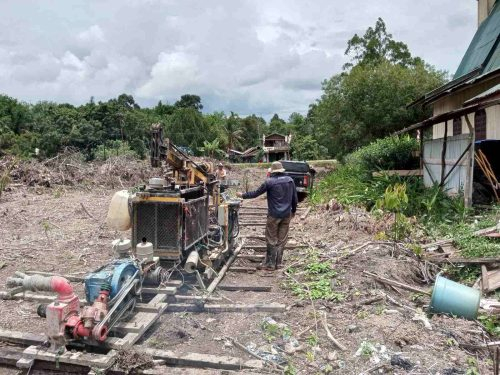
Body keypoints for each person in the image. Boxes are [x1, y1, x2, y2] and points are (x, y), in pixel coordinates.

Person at [237, 161, 297, 271]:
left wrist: (243, 195)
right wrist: (293, 211)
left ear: (273, 171)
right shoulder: (290, 180)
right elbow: (294, 198)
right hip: (286, 214)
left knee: (271, 238)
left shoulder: (269, 182)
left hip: (274, 215)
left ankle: (270, 264)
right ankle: (278, 263)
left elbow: (256, 193)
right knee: (282, 239)